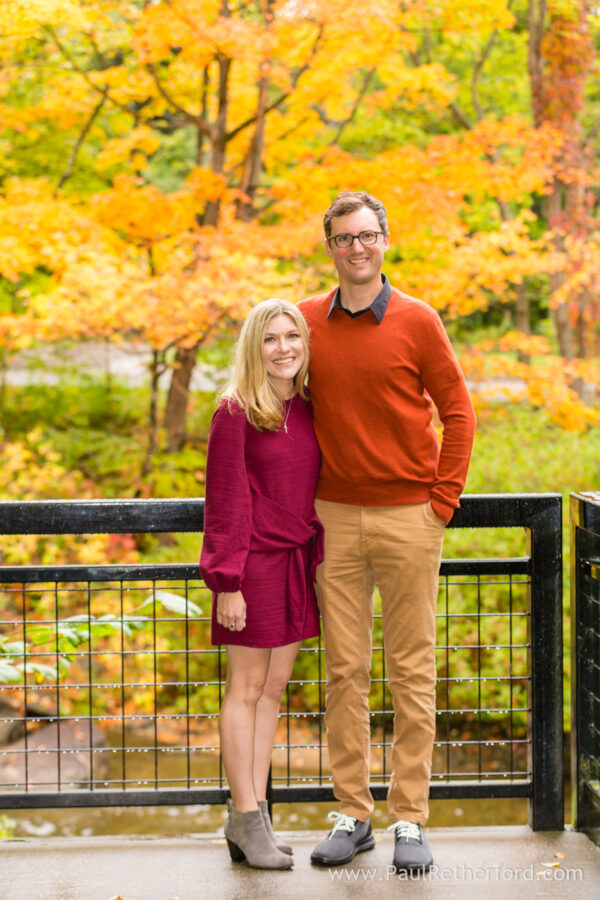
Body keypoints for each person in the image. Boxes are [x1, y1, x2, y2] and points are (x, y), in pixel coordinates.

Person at [298, 191, 476, 874]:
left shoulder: (418, 320)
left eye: (367, 235)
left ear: (385, 240)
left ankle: (410, 818)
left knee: (412, 670)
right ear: (331, 247)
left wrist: (441, 501)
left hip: (411, 517)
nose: (357, 247)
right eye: (344, 238)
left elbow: (459, 412)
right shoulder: (307, 322)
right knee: (345, 671)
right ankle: (353, 813)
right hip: (333, 519)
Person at [199, 298, 323, 871]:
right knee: (245, 691)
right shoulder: (235, 411)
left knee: (274, 689)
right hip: (253, 567)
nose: (283, 349)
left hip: (299, 561)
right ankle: (244, 815)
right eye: (271, 339)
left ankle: (255, 816)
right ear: (255, 346)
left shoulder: (308, 406)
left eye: (292, 336)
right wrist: (228, 582)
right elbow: (224, 501)